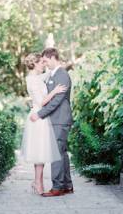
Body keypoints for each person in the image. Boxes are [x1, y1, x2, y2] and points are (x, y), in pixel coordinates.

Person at [30, 48, 74, 197]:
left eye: (46, 60)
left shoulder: (62, 75)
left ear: (53, 57)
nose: (45, 63)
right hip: (55, 119)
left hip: (60, 119)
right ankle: (67, 186)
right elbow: (44, 94)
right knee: (62, 152)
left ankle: (57, 188)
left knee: (56, 153)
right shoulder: (52, 75)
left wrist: (39, 114)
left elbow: (56, 100)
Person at [21, 53, 66, 195]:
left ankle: (37, 182)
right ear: (34, 64)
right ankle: (38, 183)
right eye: (41, 62)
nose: (44, 65)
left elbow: (50, 73)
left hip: (40, 116)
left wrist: (57, 64)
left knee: (39, 152)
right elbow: (41, 101)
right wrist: (55, 92)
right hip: (39, 117)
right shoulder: (33, 80)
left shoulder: (36, 77)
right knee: (39, 152)